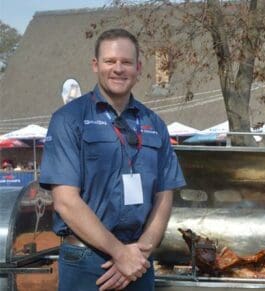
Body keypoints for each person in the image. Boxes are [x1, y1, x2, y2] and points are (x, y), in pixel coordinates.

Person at [39, 28, 186, 291]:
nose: (118, 68)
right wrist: (119, 253)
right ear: (96, 65)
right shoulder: (68, 120)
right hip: (86, 260)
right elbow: (65, 202)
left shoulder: (154, 124)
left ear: (139, 68)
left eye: (127, 62)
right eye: (110, 61)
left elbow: (164, 195)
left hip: (139, 261)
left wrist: (139, 252)